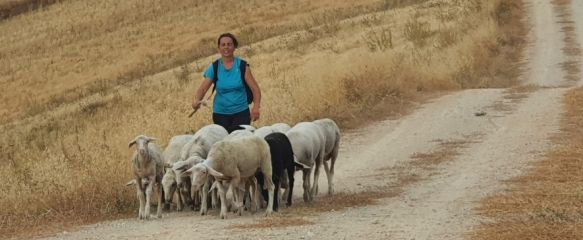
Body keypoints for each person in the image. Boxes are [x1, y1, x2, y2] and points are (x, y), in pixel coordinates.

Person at [191, 33, 261, 133]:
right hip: (220, 115)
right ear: (219, 48)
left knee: (240, 143)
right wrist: (196, 101)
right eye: (223, 45)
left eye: (229, 44)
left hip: (241, 113)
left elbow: (255, 89)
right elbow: (203, 89)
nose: (226, 47)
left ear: (234, 46)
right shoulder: (214, 67)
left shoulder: (242, 66)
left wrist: (256, 108)